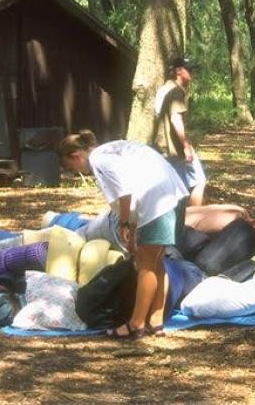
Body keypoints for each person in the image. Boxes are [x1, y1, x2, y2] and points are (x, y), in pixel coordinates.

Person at [57, 130, 189, 340]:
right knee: (156, 263)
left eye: (73, 168)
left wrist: (125, 224)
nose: (78, 172)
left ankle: (135, 324)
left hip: (158, 202)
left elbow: (125, 192)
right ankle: (155, 321)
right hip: (169, 195)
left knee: (146, 266)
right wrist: (134, 231)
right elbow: (133, 186)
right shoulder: (108, 151)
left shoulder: (99, 160)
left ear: (76, 156)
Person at [153, 55, 207, 206]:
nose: (192, 73)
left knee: (176, 188)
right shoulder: (176, 91)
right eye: (189, 70)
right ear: (178, 71)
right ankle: (194, 221)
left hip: (164, 147)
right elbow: (175, 119)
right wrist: (186, 146)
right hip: (175, 149)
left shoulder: (165, 88)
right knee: (199, 181)